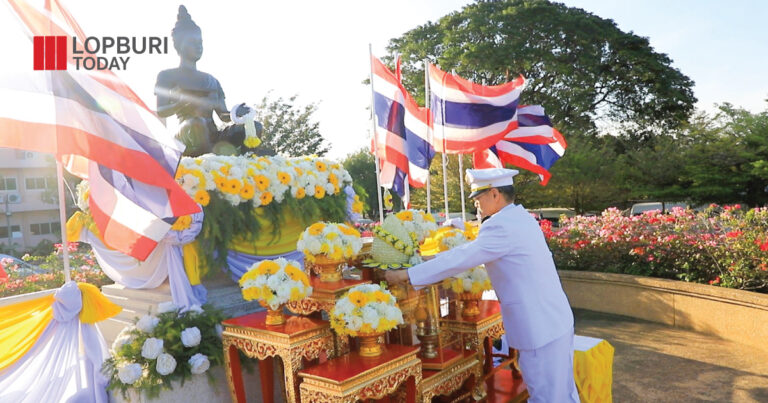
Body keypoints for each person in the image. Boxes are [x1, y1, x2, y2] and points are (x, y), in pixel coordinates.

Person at [385, 168, 579, 402]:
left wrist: (406, 275)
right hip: (552, 321)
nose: (476, 204)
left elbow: (463, 258)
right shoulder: (518, 217)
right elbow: (472, 250)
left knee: (548, 397)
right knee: (563, 393)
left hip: (540, 329)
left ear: (495, 194)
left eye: (478, 198)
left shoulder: (501, 226)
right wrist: (429, 259)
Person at [155, 5, 261, 156]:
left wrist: (238, 113)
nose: (198, 46)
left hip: (213, 135)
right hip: (188, 133)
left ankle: (248, 163)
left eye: (201, 42)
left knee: (254, 127)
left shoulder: (211, 80)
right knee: (197, 124)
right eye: (192, 41)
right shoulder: (167, 76)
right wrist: (179, 104)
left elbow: (223, 115)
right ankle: (208, 164)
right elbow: (162, 111)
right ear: (178, 44)